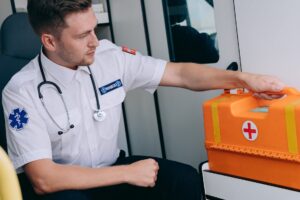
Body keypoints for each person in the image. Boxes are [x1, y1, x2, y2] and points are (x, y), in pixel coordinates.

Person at [1, 0, 284, 200]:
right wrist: (126, 173)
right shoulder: (21, 91)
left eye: (94, 29)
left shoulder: (109, 57)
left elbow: (182, 74)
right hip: (63, 187)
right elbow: (43, 179)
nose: (95, 42)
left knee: (182, 180)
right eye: (83, 35)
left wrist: (245, 79)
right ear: (50, 41)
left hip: (110, 169)